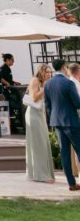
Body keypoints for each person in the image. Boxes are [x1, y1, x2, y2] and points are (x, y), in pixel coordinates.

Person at [45, 57, 80, 191]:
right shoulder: (68, 83)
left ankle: (71, 183)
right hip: (71, 122)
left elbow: (48, 106)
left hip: (57, 122)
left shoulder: (48, 84)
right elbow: (77, 103)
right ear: (64, 67)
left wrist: (54, 118)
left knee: (64, 153)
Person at [24, 63, 56, 183]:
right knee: (39, 143)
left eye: (50, 72)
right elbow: (34, 97)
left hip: (41, 114)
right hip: (33, 114)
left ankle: (42, 173)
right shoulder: (35, 81)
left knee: (43, 143)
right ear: (41, 72)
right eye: (47, 72)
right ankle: (41, 175)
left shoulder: (46, 83)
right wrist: (45, 88)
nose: (49, 74)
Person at [0, 53, 23, 132]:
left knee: (14, 109)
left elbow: (8, 79)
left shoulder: (8, 68)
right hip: (7, 92)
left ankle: (15, 126)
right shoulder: (3, 67)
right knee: (13, 107)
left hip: (11, 90)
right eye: (12, 60)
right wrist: (6, 83)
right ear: (8, 60)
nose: (13, 61)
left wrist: (14, 82)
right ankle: (13, 127)